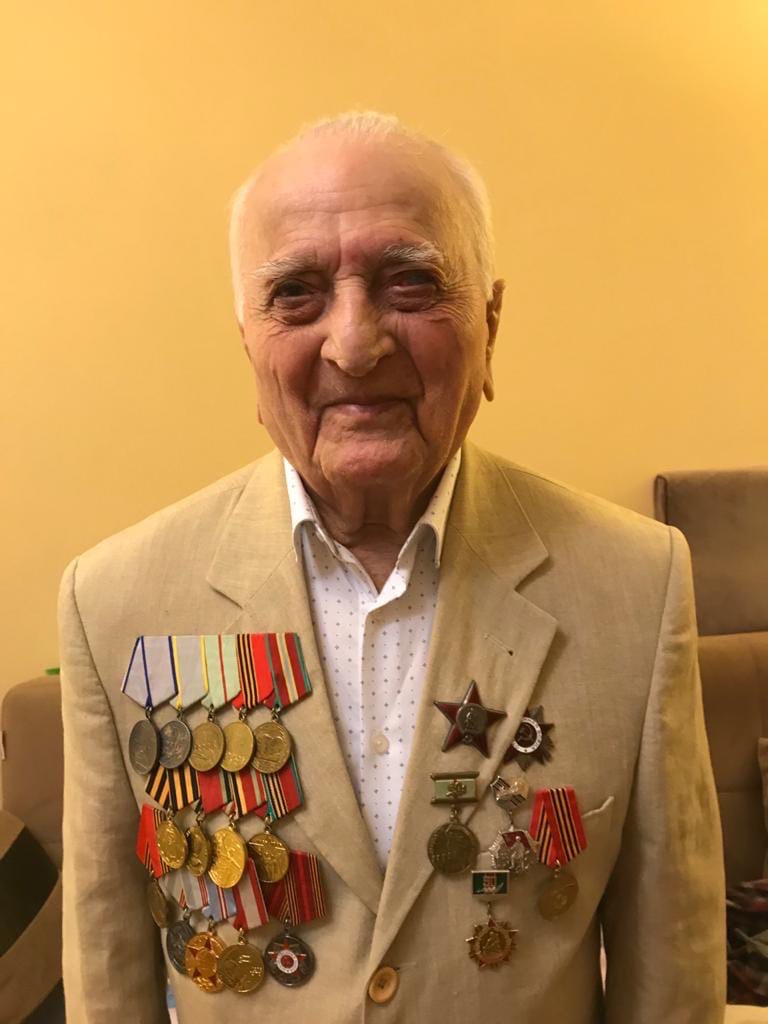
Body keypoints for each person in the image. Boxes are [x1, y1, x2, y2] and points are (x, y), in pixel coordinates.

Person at [58, 111, 725, 1023]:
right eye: (296, 294)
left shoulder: (637, 585)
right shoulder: (114, 600)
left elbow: (674, 974)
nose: (353, 342)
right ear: (248, 342)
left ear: (490, 325)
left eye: (410, 282)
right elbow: (107, 967)